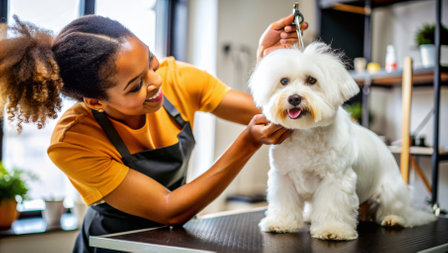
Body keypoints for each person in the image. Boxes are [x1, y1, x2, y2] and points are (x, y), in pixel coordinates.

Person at [0, 12, 307, 252]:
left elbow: (274, 113)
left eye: (149, 61)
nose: (155, 82)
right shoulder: (73, 140)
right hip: (114, 247)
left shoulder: (176, 79)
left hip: (178, 242)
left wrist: (268, 63)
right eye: (136, 85)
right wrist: (247, 142)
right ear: (95, 102)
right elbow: (167, 209)